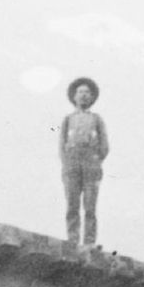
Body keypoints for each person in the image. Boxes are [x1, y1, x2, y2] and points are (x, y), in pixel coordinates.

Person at [59, 77, 108, 248]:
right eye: (80, 92)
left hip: (91, 163)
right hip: (72, 163)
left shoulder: (96, 119)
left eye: (87, 93)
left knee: (90, 205)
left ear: (92, 97)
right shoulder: (67, 119)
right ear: (74, 97)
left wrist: (95, 160)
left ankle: (89, 241)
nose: (84, 96)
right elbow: (61, 145)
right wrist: (66, 164)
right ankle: (72, 239)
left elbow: (105, 145)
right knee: (72, 204)